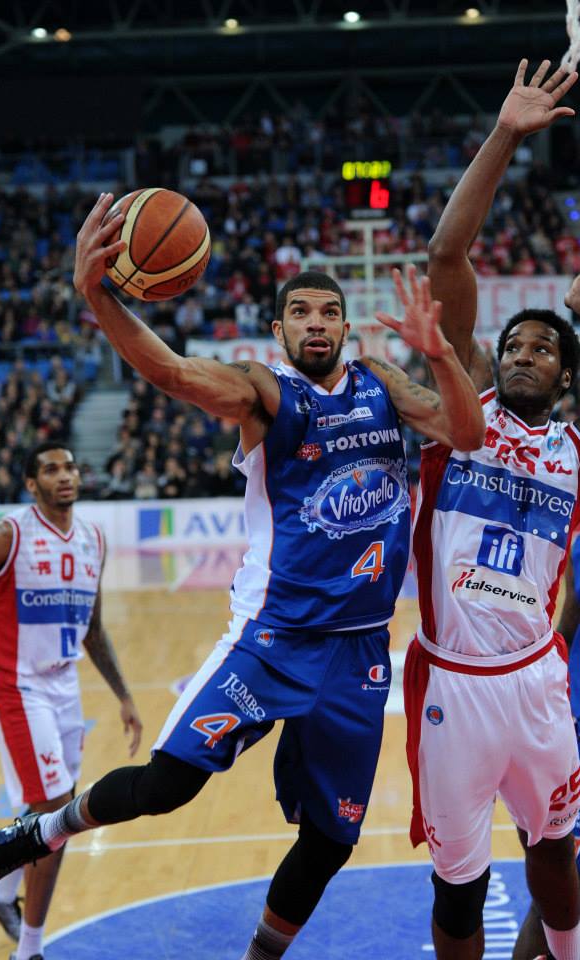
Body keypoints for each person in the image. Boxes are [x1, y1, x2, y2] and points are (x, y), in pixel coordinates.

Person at [0, 194, 485, 960]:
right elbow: (171, 371)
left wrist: (438, 355)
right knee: (167, 788)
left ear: (345, 328)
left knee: (331, 839)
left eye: (328, 313)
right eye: (299, 312)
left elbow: (464, 432)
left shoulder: (380, 383)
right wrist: (97, 296)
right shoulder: (264, 392)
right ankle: (39, 832)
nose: (315, 323)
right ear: (277, 330)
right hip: (273, 640)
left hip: (361, 649)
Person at [403, 59, 580, 960]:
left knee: (554, 850)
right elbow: (446, 256)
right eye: (513, 343)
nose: (522, 354)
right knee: (458, 886)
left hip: (539, 678)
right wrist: (505, 135)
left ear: (564, 373)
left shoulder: (574, 451)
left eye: (543, 348)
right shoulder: (462, 409)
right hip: (453, 685)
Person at [0, 440, 143, 960]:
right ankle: (29, 950)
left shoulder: (94, 538)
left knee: (46, 806)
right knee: (57, 812)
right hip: (16, 685)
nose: (65, 475)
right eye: (51, 469)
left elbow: (93, 629)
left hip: (64, 686)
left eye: (70, 466)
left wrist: (124, 695)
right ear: (32, 484)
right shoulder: (8, 535)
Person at [514, 526, 580, 959]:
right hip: (570, 719)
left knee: (557, 889)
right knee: (559, 891)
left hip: (561, 711)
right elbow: (570, 617)